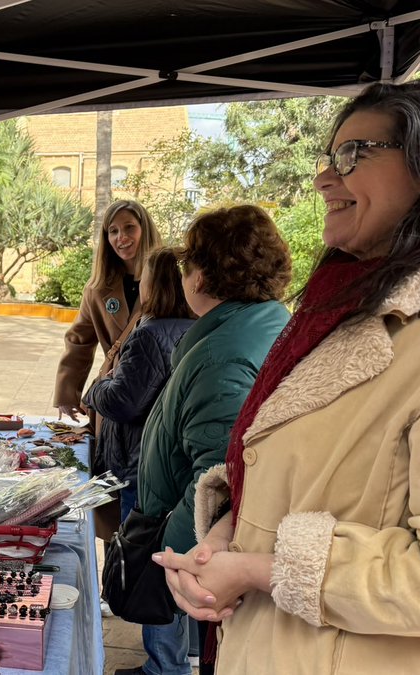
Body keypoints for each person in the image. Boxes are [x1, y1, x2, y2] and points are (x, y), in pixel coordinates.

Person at [156, 75, 420, 675]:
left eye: (355, 155)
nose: (325, 178)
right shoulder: (344, 308)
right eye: (329, 157)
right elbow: (303, 476)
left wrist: (259, 568)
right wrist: (227, 536)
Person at [135, 205, 292, 675]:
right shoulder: (261, 326)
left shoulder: (223, 354)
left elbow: (218, 480)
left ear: (199, 278)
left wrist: (171, 558)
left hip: (214, 561)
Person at [83, 248, 195, 522]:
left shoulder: (148, 335)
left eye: (144, 278)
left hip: (137, 464)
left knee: (132, 549)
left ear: (153, 285)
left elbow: (122, 402)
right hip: (167, 464)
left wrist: (97, 387)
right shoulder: (195, 329)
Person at [54, 200, 163, 424]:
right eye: (113, 231)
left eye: (129, 227)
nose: (121, 237)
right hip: (114, 397)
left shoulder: (169, 283)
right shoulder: (97, 288)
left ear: (145, 229)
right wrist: (67, 394)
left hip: (157, 400)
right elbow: (79, 341)